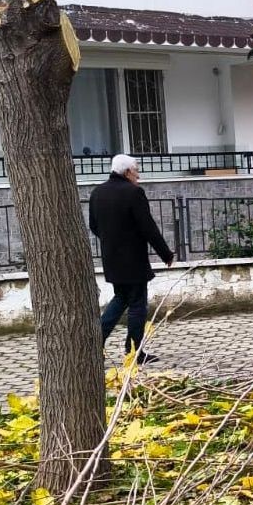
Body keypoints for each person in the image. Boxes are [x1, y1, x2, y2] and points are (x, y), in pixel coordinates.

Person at [89, 154, 174, 363]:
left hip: (112, 259)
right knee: (137, 305)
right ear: (127, 172)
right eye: (136, 170)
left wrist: (112, 242)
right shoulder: (134, 193)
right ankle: (135, 352)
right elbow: (148, 227)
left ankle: (94, 343)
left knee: (121, 299)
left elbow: (94, 225)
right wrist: (166, 253)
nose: (138, 175)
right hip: (133, 260)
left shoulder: (97, 193)